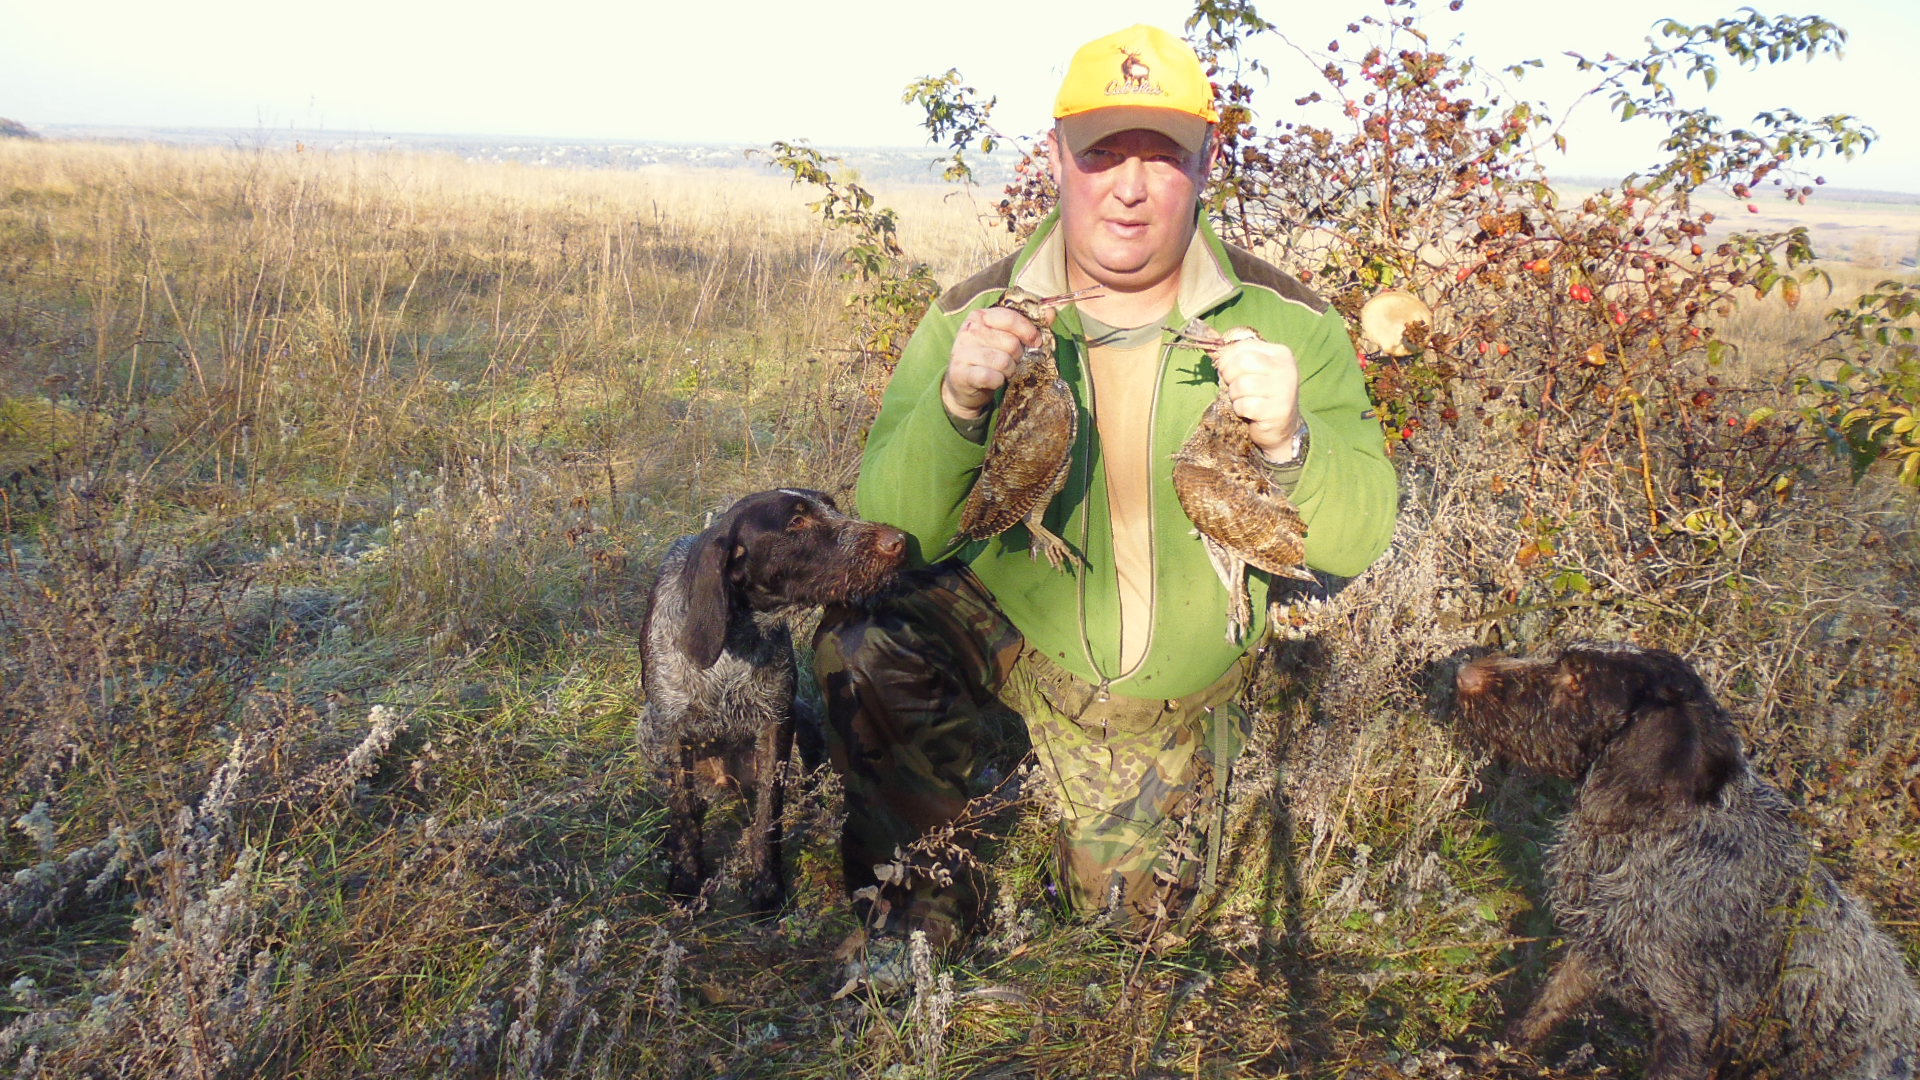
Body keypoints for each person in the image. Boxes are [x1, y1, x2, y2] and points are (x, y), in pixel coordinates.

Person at [813, 24, 1398, 965]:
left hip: (1172, 682)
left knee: (1130, 927)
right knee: (865, 636)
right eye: (1101, 154)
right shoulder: (975, 313)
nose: (1130, 186)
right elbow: (891, 528)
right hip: (1015, 628)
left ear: (1206, 165)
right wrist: (957, 407)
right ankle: (919, 907)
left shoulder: (1288, 322)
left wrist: (1292, 442)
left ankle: (1125, 787)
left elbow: (1359, 535)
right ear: (1057, 158)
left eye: (1161, 157)